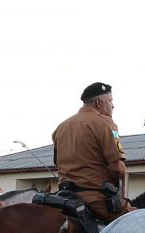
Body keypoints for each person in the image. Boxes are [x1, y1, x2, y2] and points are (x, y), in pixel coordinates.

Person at [53, 82, 135, 223]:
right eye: (110, 101)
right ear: (98, 103)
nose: (112, 106)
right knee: (140, 222)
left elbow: (58, 163)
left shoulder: (61, 127)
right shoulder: (106, 124)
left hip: (64, 196)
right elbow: (118, 168)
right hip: (96, 201)